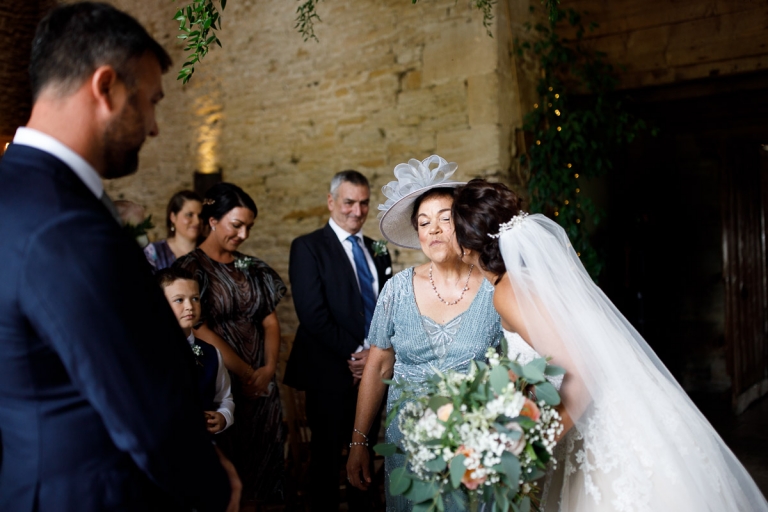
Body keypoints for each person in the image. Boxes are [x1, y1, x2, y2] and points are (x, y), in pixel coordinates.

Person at [0, 3, 239, 511]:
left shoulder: (17, 192)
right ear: (105, 87)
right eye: (150, 101)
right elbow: (138, 399)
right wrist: (210, 485)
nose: (153, 126)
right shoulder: (63, 221)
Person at [451, 179, 768, 512]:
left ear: (466, 244)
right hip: (620, 404)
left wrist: (536, 447)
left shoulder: (507, 291)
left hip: (600, 423)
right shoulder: (531, 280)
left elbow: (582, 372)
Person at [345, 156, 502, 512]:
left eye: (445, 219)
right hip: (407, 451)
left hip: (476, 452)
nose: (433, 229)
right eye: (423, 222)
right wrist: (359, 442)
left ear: (462, 223)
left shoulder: (496, 289)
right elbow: (378, 364)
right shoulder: (396, 290)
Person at [284, 169, 393, 511]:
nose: (357, 211)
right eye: (349, 202)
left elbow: (385, 306)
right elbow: (312, 313)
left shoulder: (378, 248)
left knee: (365, 454)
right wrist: (359, 352)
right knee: (327, 460)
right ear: (331, 202)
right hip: (329, 371)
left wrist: (375, 356)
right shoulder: (307, 247)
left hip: (372, 375)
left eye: (364, 203)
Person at [174, 182, 287, 508]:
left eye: (249, 227)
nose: (244, 234)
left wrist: (267, 370)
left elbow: (269, 320)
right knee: (229, 475)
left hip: (262, 385)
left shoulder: (251, 267)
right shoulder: (190, 269)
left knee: (266, 469)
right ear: (212, 220)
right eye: (236, 225)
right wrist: (246, 372)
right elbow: (199, 327)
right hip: (219, 379)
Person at [157, 267, 235, 435]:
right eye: (179, 300)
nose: (189, 307)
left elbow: (224, 398)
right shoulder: (146, 351)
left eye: (195, 298)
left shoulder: (212, 353)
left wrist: (224, 416)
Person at [145, 190, 203, 270]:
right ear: (173, 217)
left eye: (200, 216)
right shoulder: (153, 252)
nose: (197, 221)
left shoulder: (210, 254)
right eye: (189, 215)